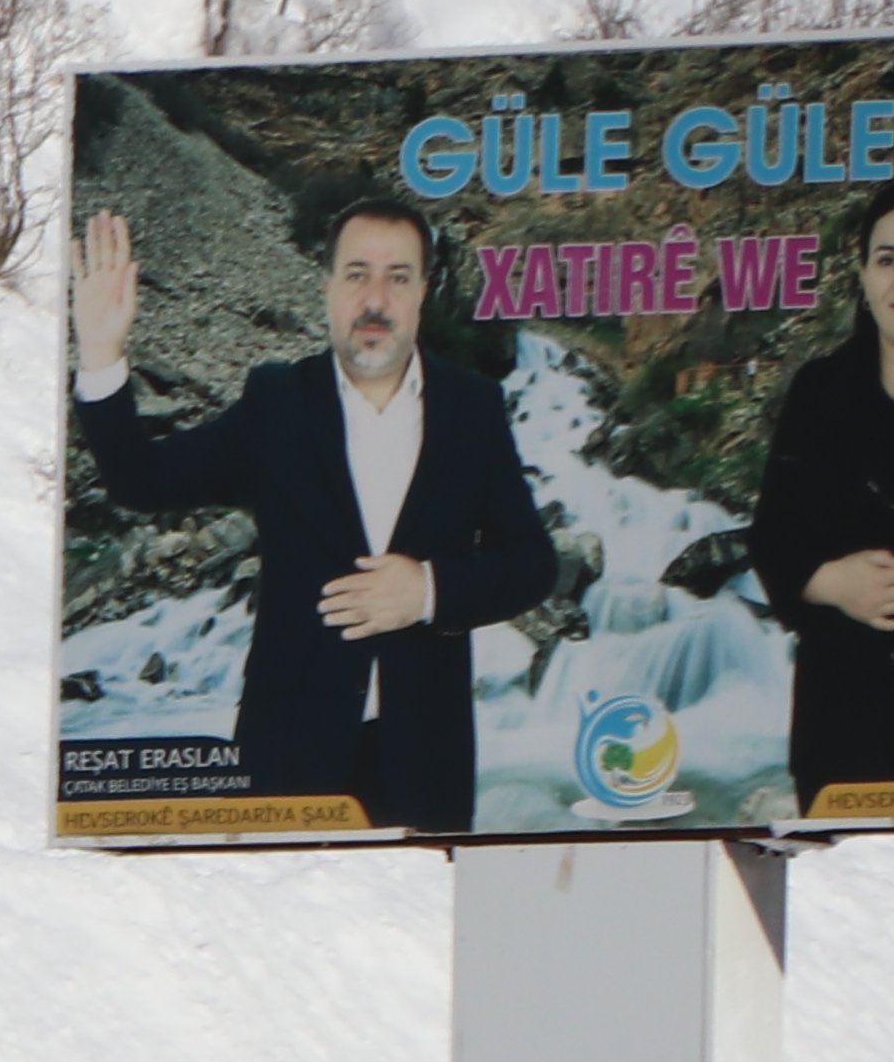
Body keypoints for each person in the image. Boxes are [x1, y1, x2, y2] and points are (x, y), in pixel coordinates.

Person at [72, 196, 559, 832]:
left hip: (424, 766)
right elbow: (140, 479)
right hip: (288, 762)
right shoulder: (276, 403)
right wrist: (103, 356)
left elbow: (533, 564)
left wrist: (430, 590)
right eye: (357, 274)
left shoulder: (474, 407)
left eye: (398, 276)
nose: (375, 298)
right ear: (328, 287)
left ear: (423, 293)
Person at [750, 178, 894, 807]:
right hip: (841, 720)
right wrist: (830, 583)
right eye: (888, 259)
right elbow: (772, 537)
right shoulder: (820, 392)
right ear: (863, 275)